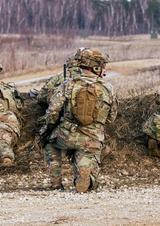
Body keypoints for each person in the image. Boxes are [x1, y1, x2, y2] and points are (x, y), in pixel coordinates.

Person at [39, 49, 117, 193]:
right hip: (93, 138)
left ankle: (56, 183)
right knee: (87, 159)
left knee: (49, 143)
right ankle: (85, 177)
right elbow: (111, 118)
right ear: (96, 68)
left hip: (66, 135)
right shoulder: (108, 88)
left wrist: (50, 127)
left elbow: (52, 111)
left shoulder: (68, 85)